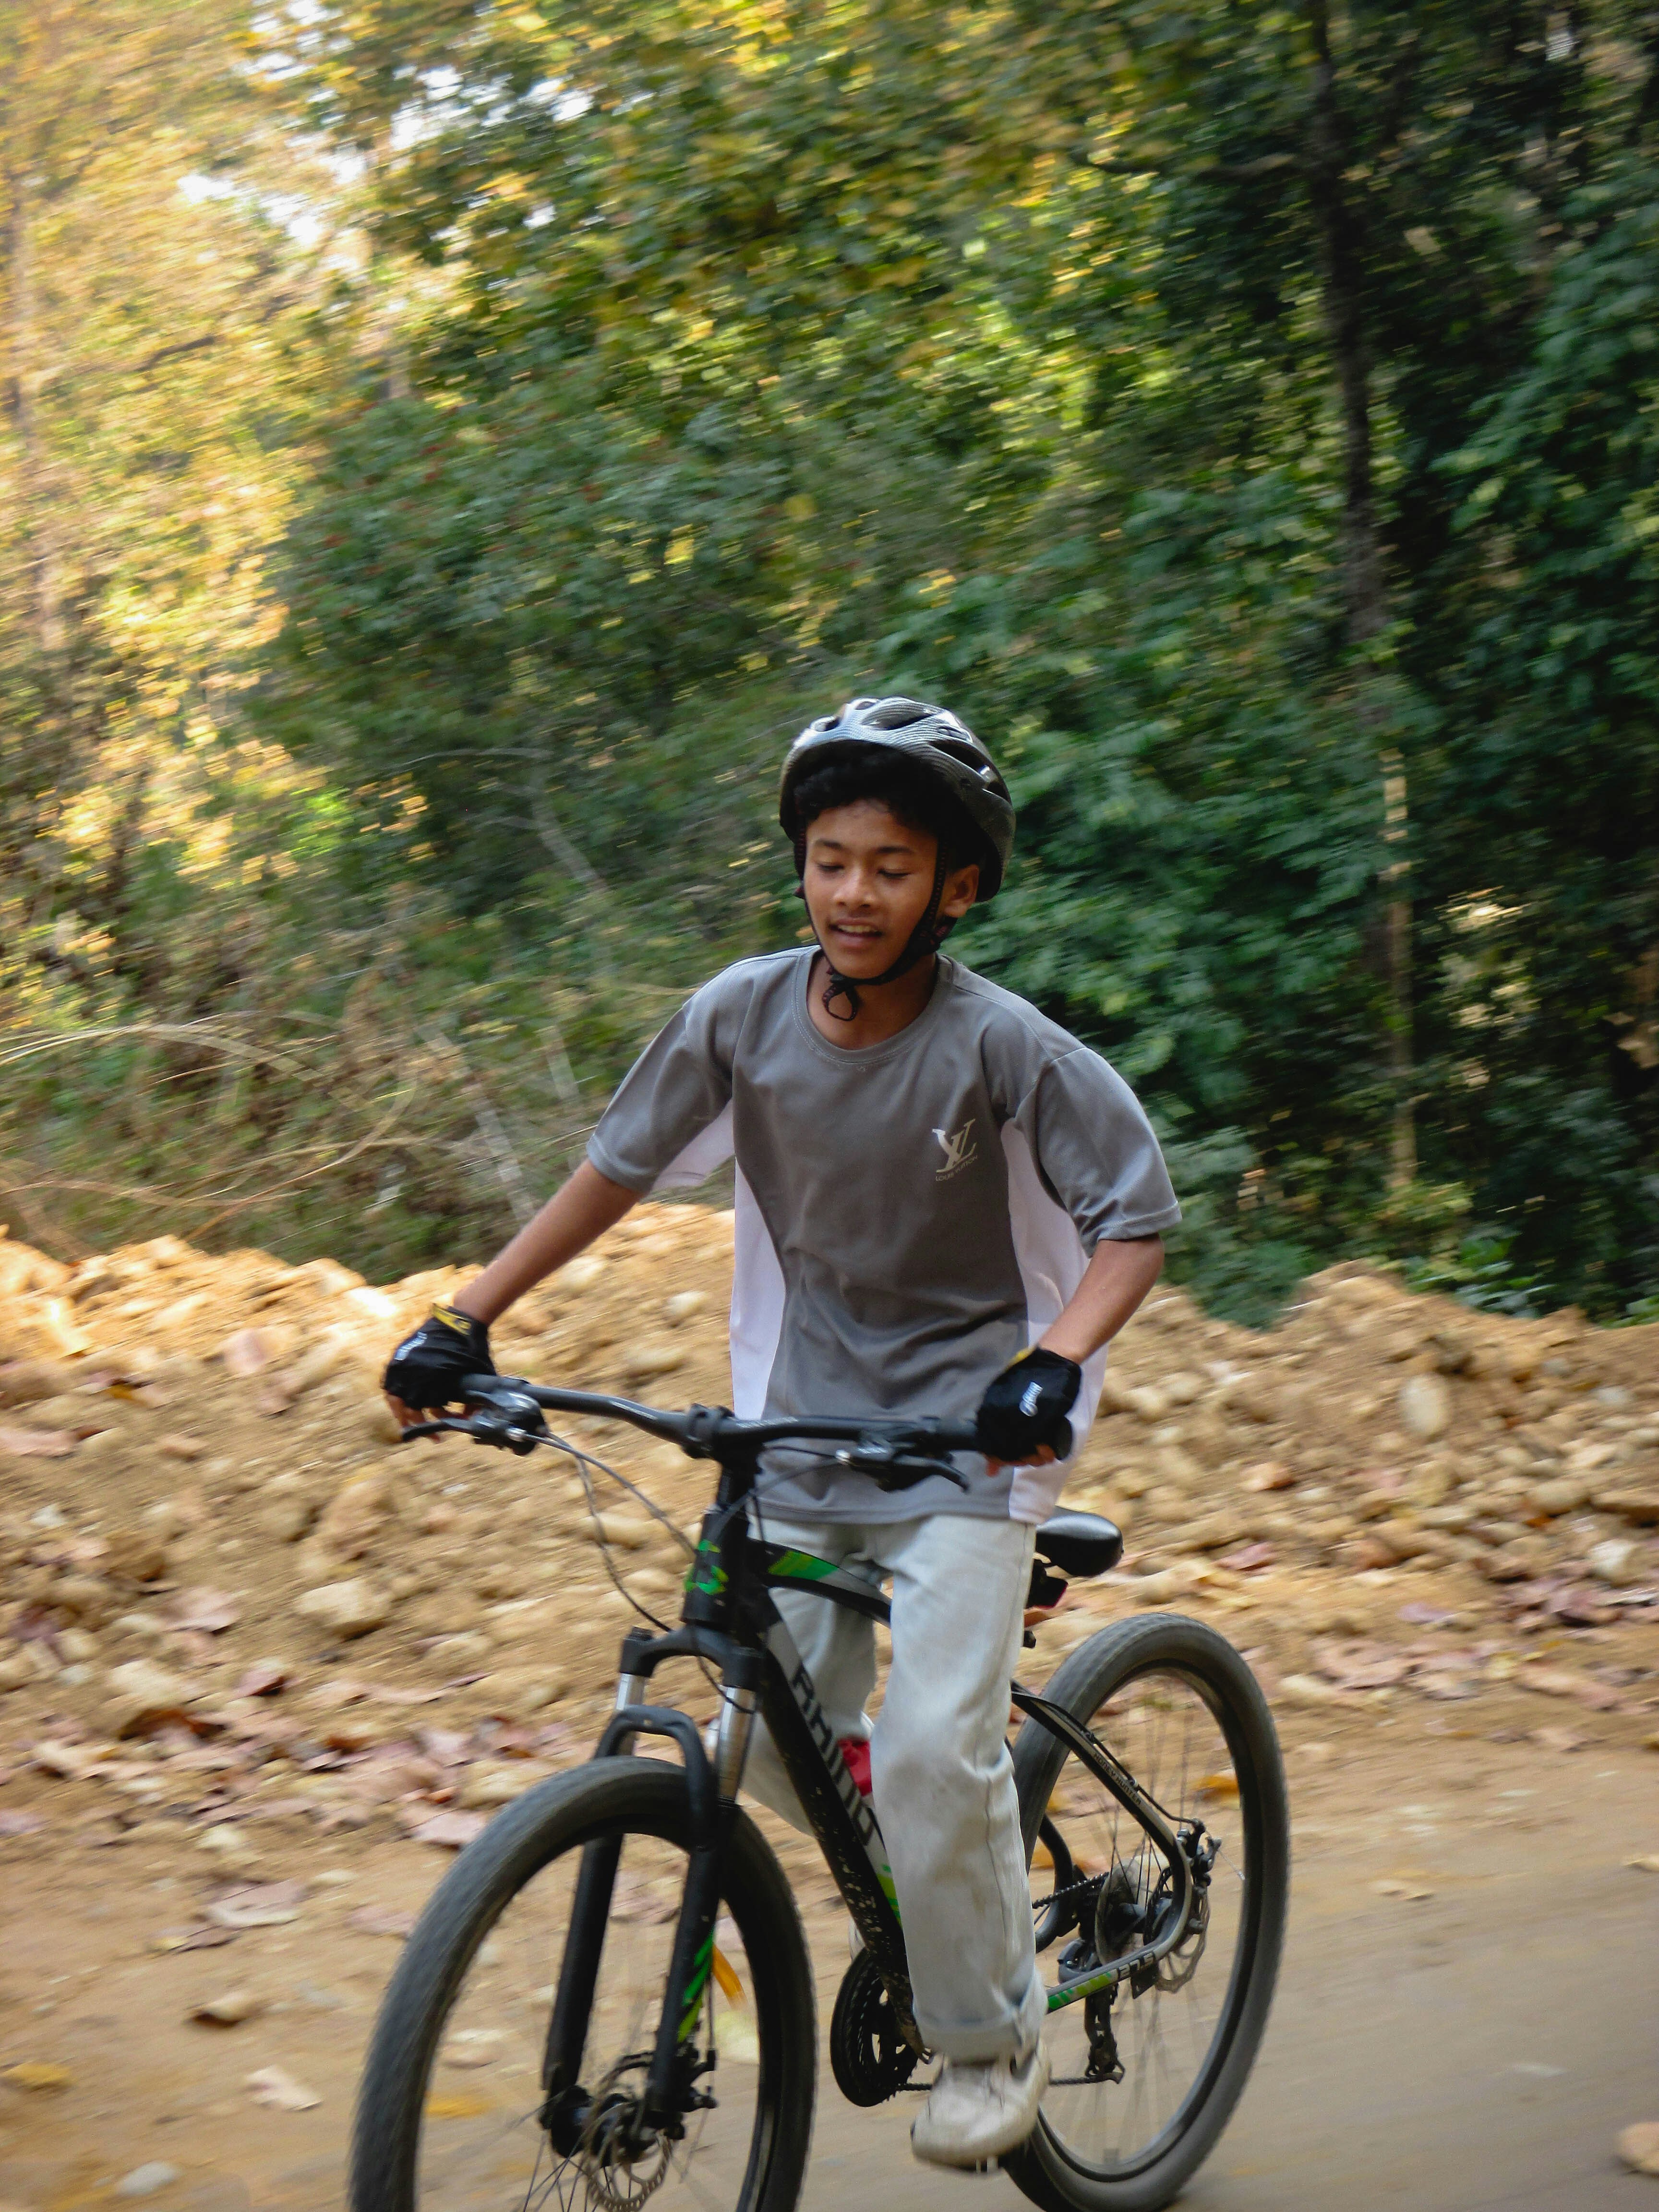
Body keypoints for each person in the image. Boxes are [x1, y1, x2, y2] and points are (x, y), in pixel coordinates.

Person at [383, 695, 1179, 2168]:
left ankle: (991, 2032)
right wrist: (469, 1315)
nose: (853, 893)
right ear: (800, 867)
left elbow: (1137, 1218)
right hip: (798, 1429)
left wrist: (1053, 1363)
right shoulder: (742, 1016)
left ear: (957, 886)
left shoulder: (1006, 1049)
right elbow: (610, 1173)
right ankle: (937, 1870)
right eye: (829, 860)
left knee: (936, 1750)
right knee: (760, 1743)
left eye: (889, 865)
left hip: (970, 1447)